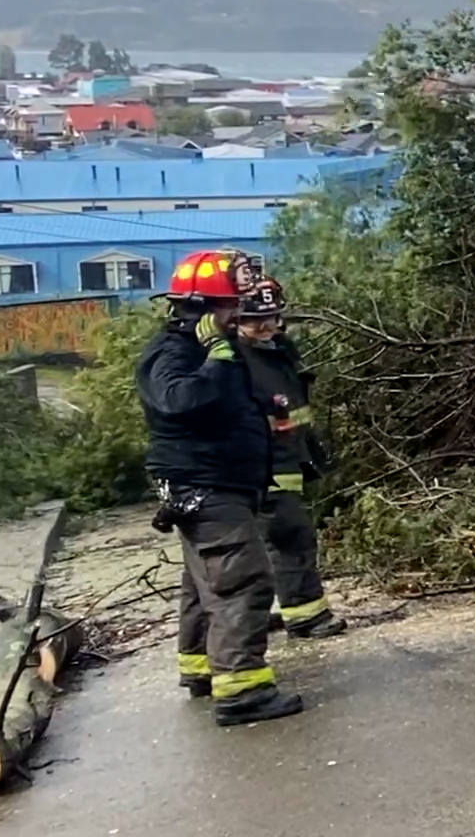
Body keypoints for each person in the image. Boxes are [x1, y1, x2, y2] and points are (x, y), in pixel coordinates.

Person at [140, 249, 303, 727]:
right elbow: (180, 400)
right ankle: (243, 691)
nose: (239, 315)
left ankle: (202, 671)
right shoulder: (174, 353)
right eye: (232, 305)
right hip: (206, 485)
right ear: (204, 307)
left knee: (205, 583)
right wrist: (218, 356)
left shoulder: (204, 347)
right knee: (241, 581)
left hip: (219, 483)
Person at [235, 277, 347, 640]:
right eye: (254, 319)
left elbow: (295, 409)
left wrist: (310, 452)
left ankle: (266, 611)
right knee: (289, 536)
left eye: (271, 316)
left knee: (273, 540)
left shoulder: (278, 351)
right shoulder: (236, 360)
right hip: (263, 464)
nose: (265, 325)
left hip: (289, 457)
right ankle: (305, 616)